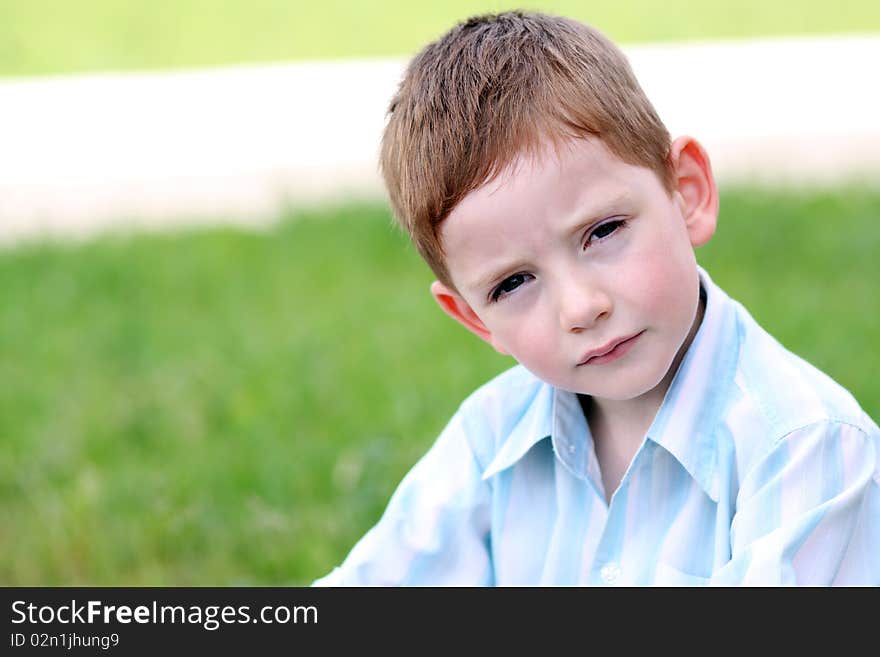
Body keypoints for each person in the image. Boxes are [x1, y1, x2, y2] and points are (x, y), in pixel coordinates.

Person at [313, 11, 879, 585]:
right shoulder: (490, 438)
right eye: (512, 284)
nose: (581, 307)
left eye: (603, 232)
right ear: (476, 320)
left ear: (687, 192)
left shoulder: (806, 449)